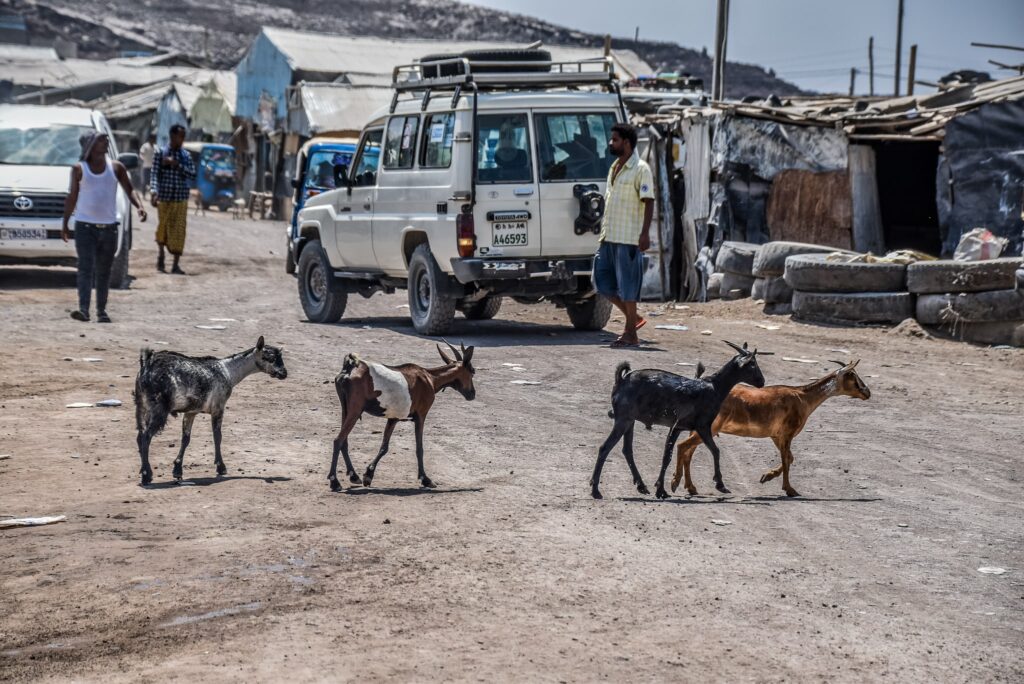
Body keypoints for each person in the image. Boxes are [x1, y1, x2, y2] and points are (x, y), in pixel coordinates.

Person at [61, 132, 147, 323]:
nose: (106, 142)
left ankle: (101, 311)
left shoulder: (116, 167)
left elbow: (129, 188)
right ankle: (84, 309)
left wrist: (139, 206)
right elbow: (72, 197)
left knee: (103, 271)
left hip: (109, 229)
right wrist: (65, 222)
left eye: (106, 139)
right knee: (85, 268)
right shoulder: (79, 169)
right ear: (90, 145)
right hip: (85, 227)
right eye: (102, 140)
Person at [593, 123, 655, 348]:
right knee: (601, 283)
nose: (611, 143)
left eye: (615, 139)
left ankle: (631, 334)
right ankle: (634, 319)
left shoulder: (641, 169)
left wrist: (645, 234)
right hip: (608, 236)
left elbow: (649, 202)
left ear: (627, 143)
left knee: (628, 287)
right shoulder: (614, 167)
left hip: (629, 237)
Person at [150, 125, 195, 274]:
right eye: (179, 136)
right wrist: (154, 192)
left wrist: (177, 165)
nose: (182, 140)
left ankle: (175, 264)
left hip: (180, 198)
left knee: (179, 231)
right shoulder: (160, 153)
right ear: (172, 136)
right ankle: (161, 255)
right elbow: (154, 174)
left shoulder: (186, 156)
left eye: (183, 136)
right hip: (164, 197)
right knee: (162, 228)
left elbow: (192, 175)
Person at [139, 134, 156, 198]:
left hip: (153, 167)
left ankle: (152, 195)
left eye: (154, 139)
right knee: (145, 181)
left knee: (152, 181)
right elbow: (141, 153)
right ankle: (143, 194)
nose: (153, 140)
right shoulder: (145, 146)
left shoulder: (155, 147)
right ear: (150, 139)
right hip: (145, 166)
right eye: (152, 139)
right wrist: (143, 158)